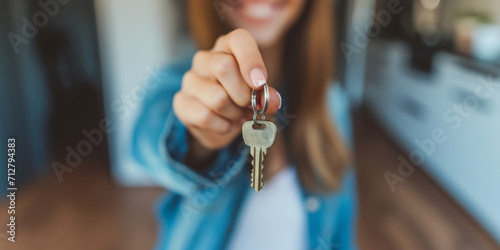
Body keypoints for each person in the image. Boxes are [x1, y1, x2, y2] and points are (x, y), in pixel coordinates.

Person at [132, 0, 358, 249]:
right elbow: (143, 144)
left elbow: (341, 230)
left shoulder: (331, 102)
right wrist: (197, 140)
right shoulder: (175, 83)